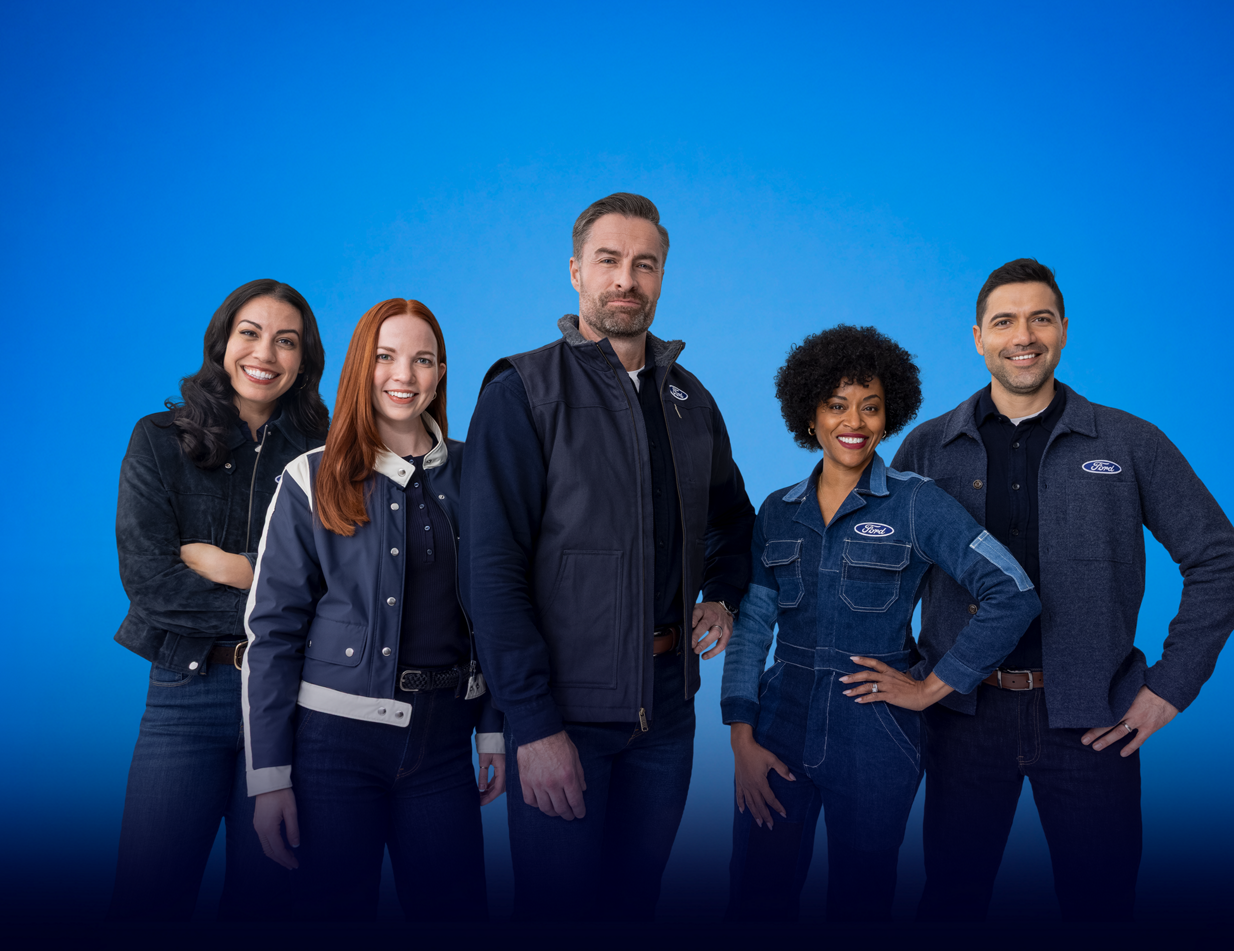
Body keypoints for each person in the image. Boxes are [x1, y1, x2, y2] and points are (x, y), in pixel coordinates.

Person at [894, 258, 1234, 922]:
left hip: (1094, 718)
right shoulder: (928, 448)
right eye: (1004, 321)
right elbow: (886, 576)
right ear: (977, 336)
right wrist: (915, 683)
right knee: (949, 902)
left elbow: (1219, 560)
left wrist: (1171, 685)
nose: (1022, 335)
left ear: (1063, 331)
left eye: (1040, 318)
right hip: (963, 717)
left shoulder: (1129, 442)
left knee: (1101, 906)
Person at [464, 192, 756, 920]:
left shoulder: (691, 399)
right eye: (609, 261)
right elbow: (490, 575)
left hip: (667, 714)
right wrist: (531, 724)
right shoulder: (521, 390)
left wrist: (720, 591)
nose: (626, 279)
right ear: (575, 272)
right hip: (564, 714)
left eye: (644, 264)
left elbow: (735, 520)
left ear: (661, 276)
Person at [720, 324, 1041, 920]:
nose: (855, 422)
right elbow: (754, 626)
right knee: (755, 895)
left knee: (861, 901)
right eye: (837, 405)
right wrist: (741, 736)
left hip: (875, 734)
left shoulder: (916, 502)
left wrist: (931, 687)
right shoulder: (777, 510)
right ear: (808, 414)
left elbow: (1013, 591)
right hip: (778, 721)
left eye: (871, 408)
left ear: (889, 415)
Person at [241, 298, 506, 920]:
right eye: (386, 357)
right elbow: (271, 635)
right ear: (362, 366)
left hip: (445, 742)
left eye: (423, 360)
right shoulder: (311, 477)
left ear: (441, 372)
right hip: (333, 747)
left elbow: (503, 608)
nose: (404, 376)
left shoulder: (480, 473)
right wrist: (269, 779)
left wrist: (493, 727)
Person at [109, 278, 330, 920]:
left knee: (271, 905)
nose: (265, 354)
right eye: (250, 334)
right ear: (222, 343)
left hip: (293, 700)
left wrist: (239, 569)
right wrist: (282, 606)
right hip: (187, 691)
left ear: (304, 361)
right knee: (147, 900)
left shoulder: (326, 456)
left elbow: (344, 584)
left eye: (286, 342)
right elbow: (151, 582)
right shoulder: (158, 439)